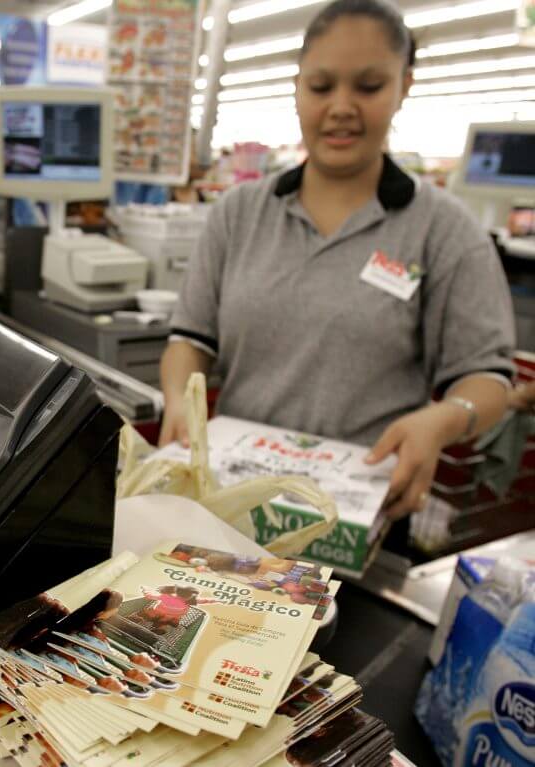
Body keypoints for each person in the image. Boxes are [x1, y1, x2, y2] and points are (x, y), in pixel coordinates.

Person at [159, 0, 515, 520]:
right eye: (321, 86)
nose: (341, 107)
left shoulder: (444, 229)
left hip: (358, 512)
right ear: (298, 88)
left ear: (403, 87)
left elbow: (488, 378)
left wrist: (442, 419)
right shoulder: (239, 214)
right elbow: (190, 342)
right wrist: (178, 401)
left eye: (368, 87)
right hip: (233, 506)